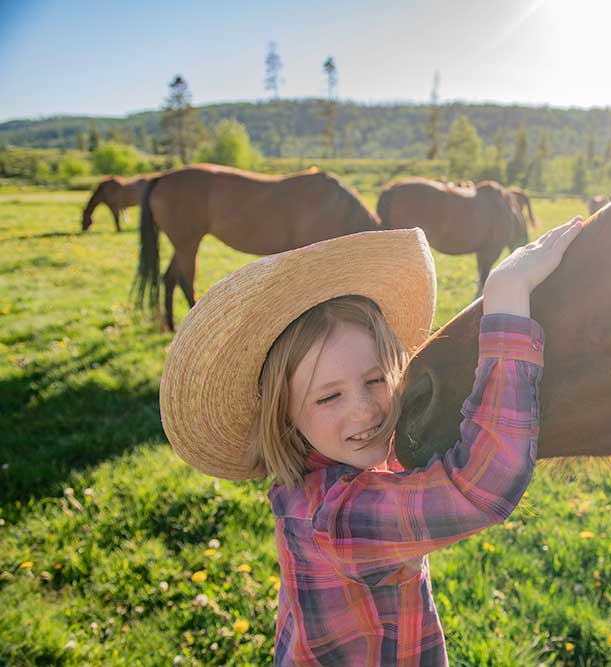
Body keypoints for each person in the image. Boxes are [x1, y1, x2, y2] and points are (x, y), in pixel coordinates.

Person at [159, 218, 584, 666]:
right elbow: (482, 485)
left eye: (376, 379)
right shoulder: (339, 520)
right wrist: (507, 298)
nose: (364, 411)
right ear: (282, 411)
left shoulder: (319, 472)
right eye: (329, 396)